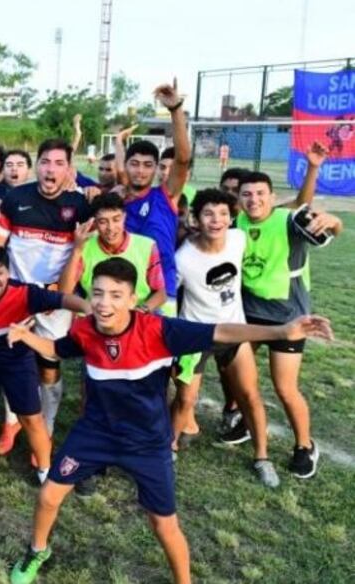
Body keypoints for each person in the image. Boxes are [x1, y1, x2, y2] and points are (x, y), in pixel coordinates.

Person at [6, 257, 333, 584]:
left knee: (164, 525)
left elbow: (221, 330)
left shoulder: (160, 330)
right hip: (95, 434)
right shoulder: (84, 329)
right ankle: (37, 551)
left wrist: (281, 330)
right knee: (49, 495)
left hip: (147, 443)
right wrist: (25, 335)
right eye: (98, 294)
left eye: (116, 295)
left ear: (133, 300)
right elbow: (56, 349)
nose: (104, 303)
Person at [0, 245, 89, 494]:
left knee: (32, 419)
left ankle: (46, 472)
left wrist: (92, 310)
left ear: (7, 272)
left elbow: (65, 300)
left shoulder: (24, 292)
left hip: (17, 363)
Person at [236, 169, 343, 478]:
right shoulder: (236, 223)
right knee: (239, 380)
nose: (253, 200)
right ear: (239, 199)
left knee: (285, 387)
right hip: (248, 315)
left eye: (259, 194)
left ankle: (304, 445)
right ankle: (245, 421)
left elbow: (332, 228)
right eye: (247, 194)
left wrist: (334, 222)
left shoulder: (288, 221)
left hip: (288, 317)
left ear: (272, 197)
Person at [172, 188, 279, 487]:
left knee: (250, 395)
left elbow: (271, 213)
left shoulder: (238, 239)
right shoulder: (183, 259)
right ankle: (170, 447)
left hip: (234, 332)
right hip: (195, 336)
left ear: (231, 218)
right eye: (208, 213)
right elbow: (168, 295)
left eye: (222, 214)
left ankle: (262, 458)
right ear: (197, 218)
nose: (216, 220)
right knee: (185, 398)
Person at [0, 138, 92, 443]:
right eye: (46, 162)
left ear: (69, 170)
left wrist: (58, 293)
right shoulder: (15, 198)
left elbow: (82, 258)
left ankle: (45, 429)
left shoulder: (79, 206)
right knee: (14, 360)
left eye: (59, 163)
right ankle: (11, 421)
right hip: (17, 296)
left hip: (55, 300)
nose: (51, 169)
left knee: (49, 367)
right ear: (37, 166)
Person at [113, 81, 190, 317]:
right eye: (134, 164)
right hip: (122, 291)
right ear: (126, 166)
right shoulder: (117, 200)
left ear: (156, 168)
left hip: (162, 292)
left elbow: (183, 159)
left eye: (148, 165)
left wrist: (175, 110)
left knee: (158, 354)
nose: (140, 171)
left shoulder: (166, 195)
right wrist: (118, 143)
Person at [58, 193, 166, 313]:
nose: (111, 227)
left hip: (136, 315)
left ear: (124, 217)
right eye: (103, 222)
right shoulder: (84, 247)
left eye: (116, 220)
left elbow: (161, 293)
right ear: (95, 223)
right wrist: (77, 250)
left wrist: (141, 311)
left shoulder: (147, 246)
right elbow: (64, 292)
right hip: (96, 315)